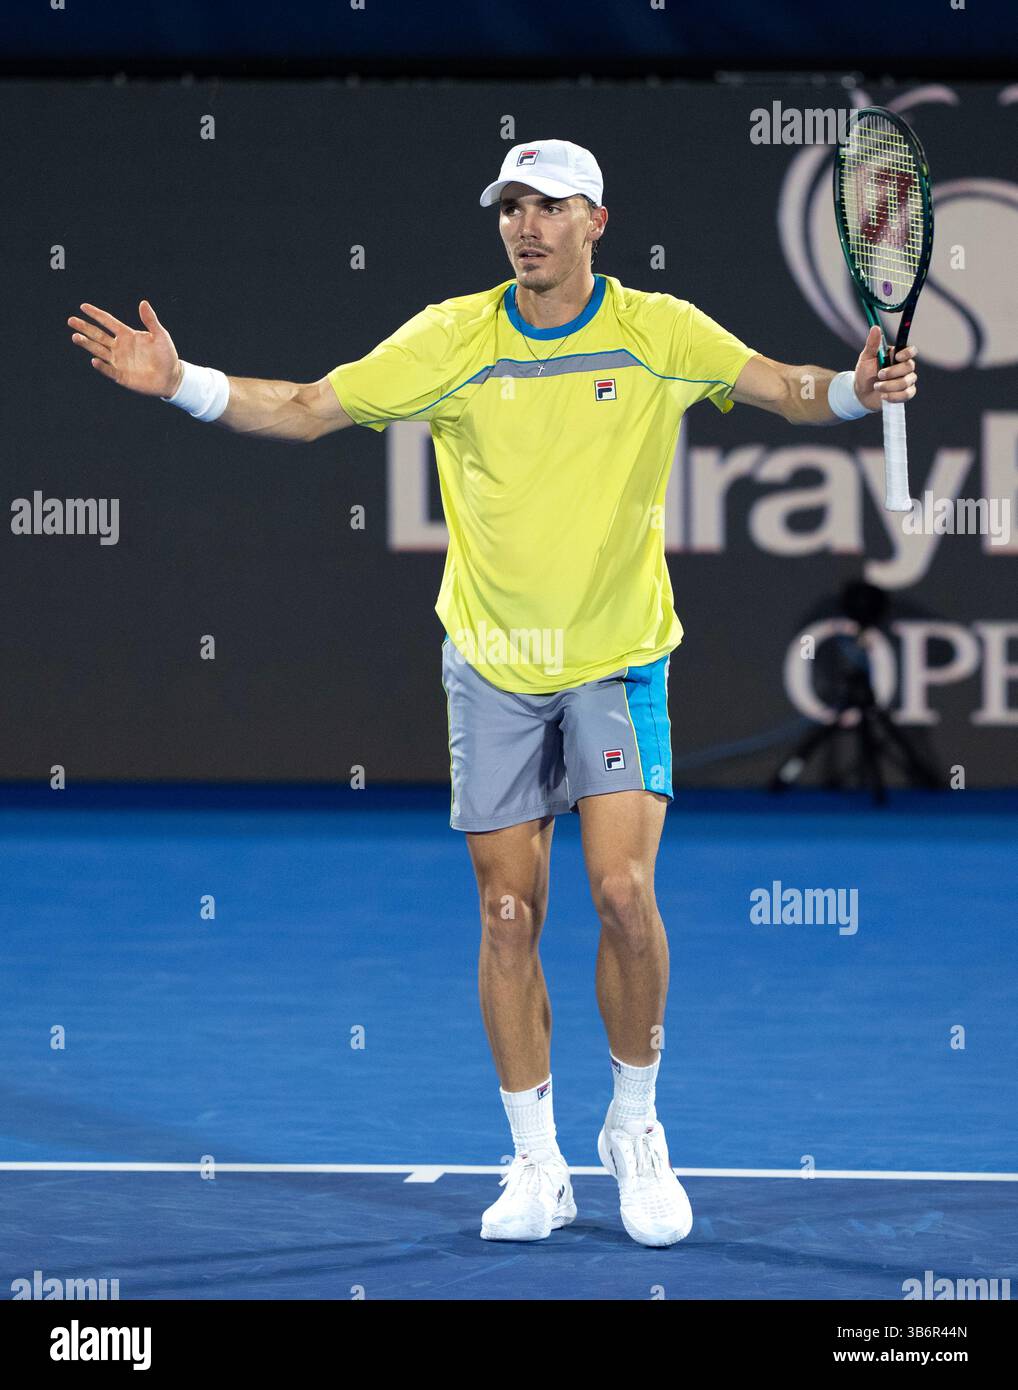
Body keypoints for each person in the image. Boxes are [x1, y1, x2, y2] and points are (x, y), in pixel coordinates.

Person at [67, 137, 919, 1247]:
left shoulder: (659, 329)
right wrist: (180, 381)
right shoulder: (452, 336)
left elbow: (786, 391)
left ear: (596, 222)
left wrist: (854, 392)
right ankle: (534, 1158)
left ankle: (635, 1128)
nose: (527, 225)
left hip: (616, 661)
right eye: (511, 206)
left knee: (622, 894)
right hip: (490, 667)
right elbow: (310, 407)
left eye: (551, 206)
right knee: (509, 912)